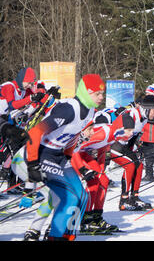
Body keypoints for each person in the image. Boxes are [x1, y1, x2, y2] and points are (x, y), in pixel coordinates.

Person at [25, 73, 105, 241]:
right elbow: (35, 132)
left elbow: (74, 135)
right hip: (42, 153)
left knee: (82, 196)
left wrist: (68, 156)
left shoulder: (90, 111)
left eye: (102, 94)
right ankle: (55, 237)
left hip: (59, 155)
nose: (101, 97)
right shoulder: (69, 108)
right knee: (69, 197)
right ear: (86, 92)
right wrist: (32, 164)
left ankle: (68, 236)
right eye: (97, 93)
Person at [71, 112, 136, 234]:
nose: (131, 133)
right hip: (73, 155)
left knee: (104, 180)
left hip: (84, 154)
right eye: (129, 130)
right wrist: (82, 169)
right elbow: (74, 149)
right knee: (94, 181)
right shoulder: (103, 134)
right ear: (121, 129)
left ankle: (96, 217)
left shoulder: (113, 136)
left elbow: (101, 151)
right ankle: (86, 220)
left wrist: (101, 170)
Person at [111, 95, 154, 211]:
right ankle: (124, 200)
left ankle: (134, 197)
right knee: (129, 166)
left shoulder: (144, 119)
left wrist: (139, 148)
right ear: (147, 109)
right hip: (112, 146)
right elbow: (121, 128)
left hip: (124, 146)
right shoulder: (131, 114)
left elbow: (133, 138)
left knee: (139, 166)